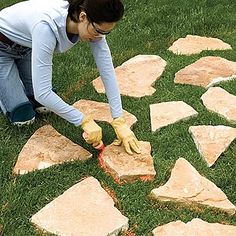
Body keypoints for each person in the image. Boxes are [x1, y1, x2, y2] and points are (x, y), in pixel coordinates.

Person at [0, 0, 141, 155]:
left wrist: (119, 119)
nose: (101, 37)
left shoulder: (93, 26)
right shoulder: (46, 27)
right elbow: (43, 93)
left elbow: (107, 71)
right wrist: (83, 120)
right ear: (83, 16)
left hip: (28, 46)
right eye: (99, 31)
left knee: (44, 107)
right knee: (23, 118)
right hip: (2, 46)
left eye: (106, 32)